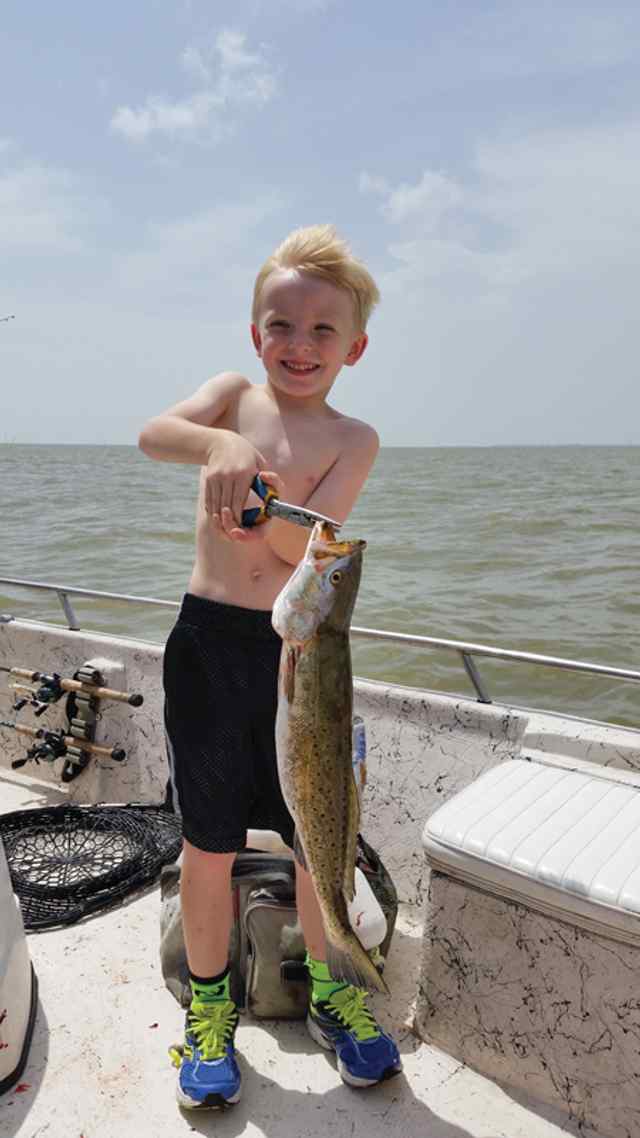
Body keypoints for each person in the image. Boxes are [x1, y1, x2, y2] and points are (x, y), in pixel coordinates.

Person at [138, 224, 401, 1110]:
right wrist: (219, 446)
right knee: (207, 842)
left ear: (354, 348)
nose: (300, 345)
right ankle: (209, 1009)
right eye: (281, 325)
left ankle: (332, 992)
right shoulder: (231, 399)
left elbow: (300, 547)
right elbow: (151, 433)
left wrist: (260, 502)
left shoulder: (353, 438)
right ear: (256, 334)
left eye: (323, 331)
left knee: (313, 838)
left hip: (303, 656)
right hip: (209, 647)